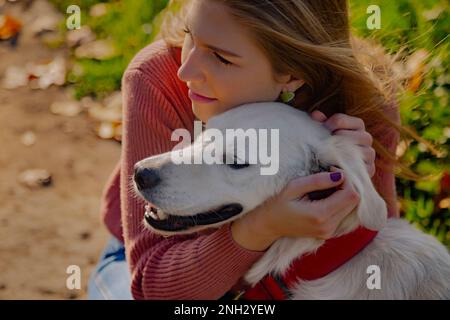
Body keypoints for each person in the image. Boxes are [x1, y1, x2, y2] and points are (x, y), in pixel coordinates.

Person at [88, 0, 401, 300]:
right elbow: (154, 289)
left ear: (292, 74)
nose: (186, 71)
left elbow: (376, 237)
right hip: (153, 260)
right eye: (189, 36)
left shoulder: (363, 103)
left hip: (288, 278)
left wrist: (353, 189)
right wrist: (261, 226)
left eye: (221, 58)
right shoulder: (158, 79)